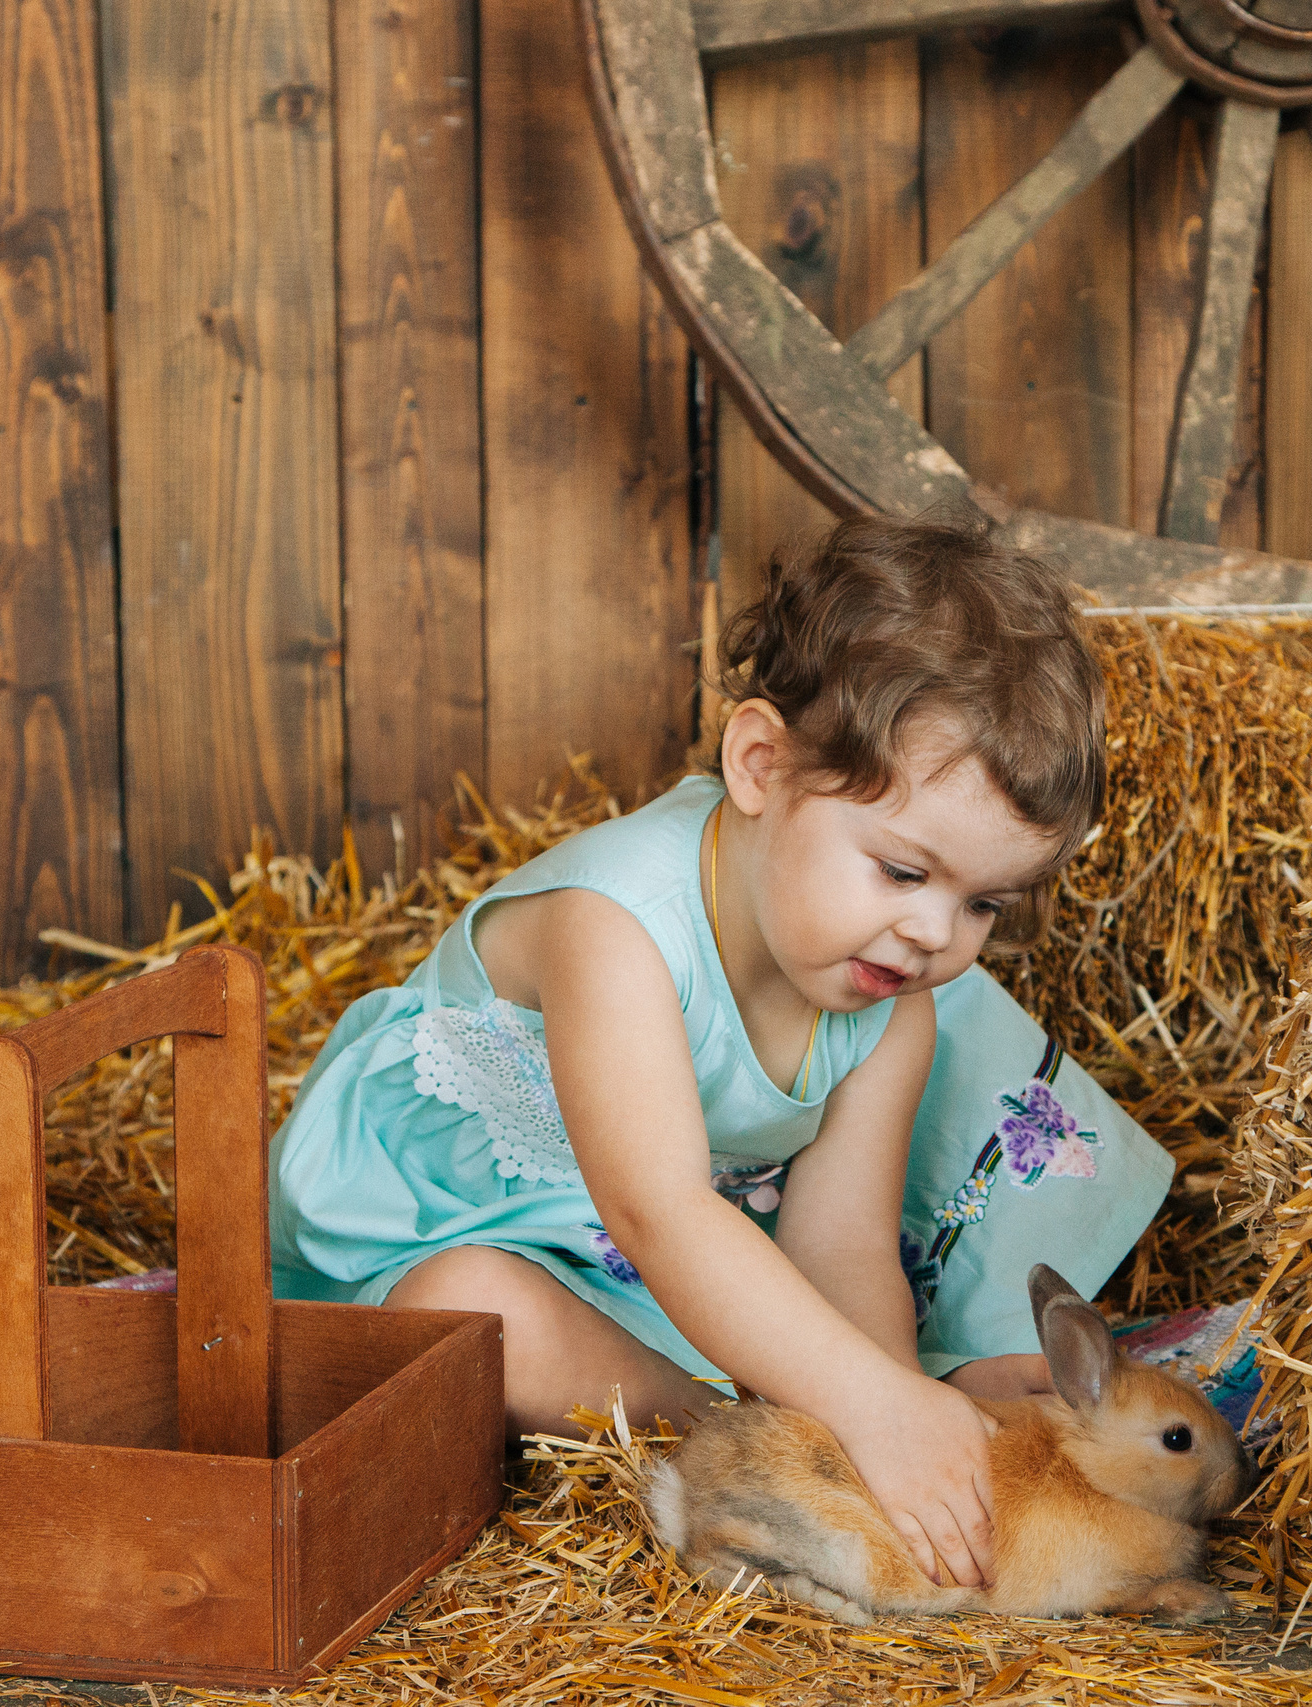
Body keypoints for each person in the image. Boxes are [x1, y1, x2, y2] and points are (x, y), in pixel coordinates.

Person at [267, 515, 1173, 1592]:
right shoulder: (612, 924)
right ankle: (732, 1423)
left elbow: (841, 1248)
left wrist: (892, 1408)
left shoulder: (898, 999)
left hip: (640, 1259)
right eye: (899, 872)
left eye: (982, 902)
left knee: (871, 1369)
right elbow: (662, 1211)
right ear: (759, 765)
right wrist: (867, 1413)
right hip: (447, 1224)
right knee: (466, 1316)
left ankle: (776, 1419)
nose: (938, 934)